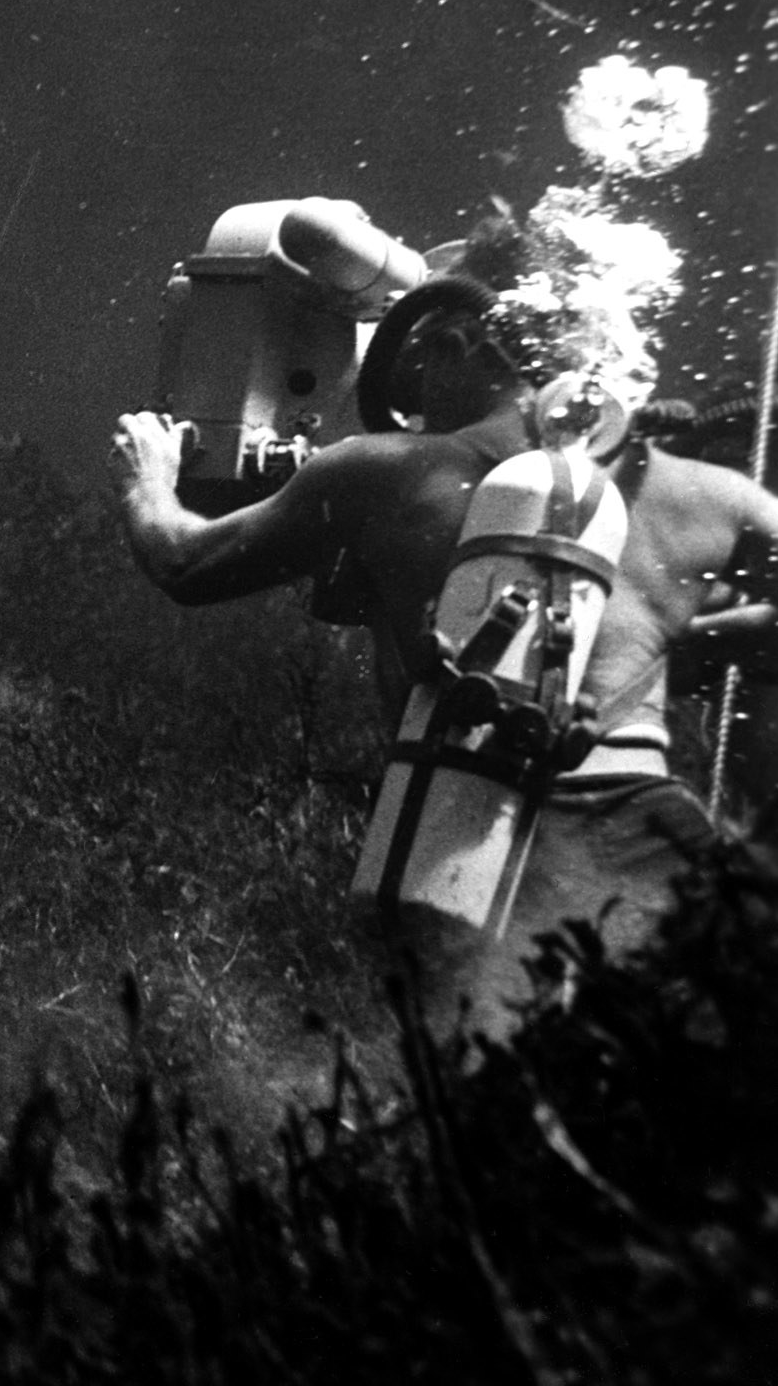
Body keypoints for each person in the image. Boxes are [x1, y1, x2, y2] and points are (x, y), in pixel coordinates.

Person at [111, 247, 778, 1043]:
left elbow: (185, 562)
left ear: (461, 341)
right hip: (649, 839)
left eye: (418, 371)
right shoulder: (706, 494)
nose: (415, 405)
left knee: (472, 1113)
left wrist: (147, 477)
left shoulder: (381, 471)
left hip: (463, 845)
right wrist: (685, 647)